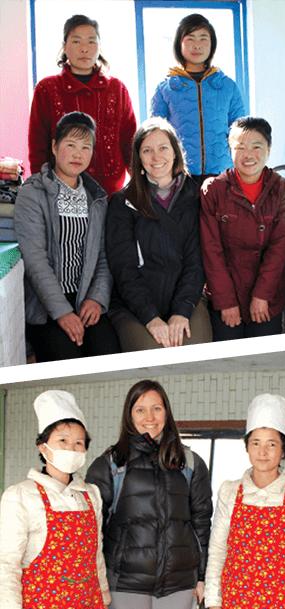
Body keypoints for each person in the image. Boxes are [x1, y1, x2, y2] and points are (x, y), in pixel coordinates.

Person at [86, 379, 212, 609]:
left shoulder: (190, 463)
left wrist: (201, 577)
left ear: (167, 412)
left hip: (178, 582)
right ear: (129, 415)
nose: (150, 418)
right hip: (125, 582)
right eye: (140, 410)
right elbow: (90, 530)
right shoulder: (111, 464)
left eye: (157, 408)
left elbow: (201, 523)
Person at [0, 389, 111, 609]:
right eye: (63, 441)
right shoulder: (21, 495)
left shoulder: (90, 495)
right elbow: (7, 564)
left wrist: (104, 601)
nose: (71, 448)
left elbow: (96, 556)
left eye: (78, 443)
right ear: (43, 446)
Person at [205, 393, 285, 609]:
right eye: (255, 443)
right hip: (236, 606)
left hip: (282, 608)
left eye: (272, 444)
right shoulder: (230, 492)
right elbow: (218, 549)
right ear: (247, 447)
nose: (262, 452)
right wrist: (213, 601)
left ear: (283, 449)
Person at [14, 111, 120, 362]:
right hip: (45, 306)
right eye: (70, 145)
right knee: (66, 358)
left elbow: (105, 257)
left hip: (86, 300)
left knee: (109, 356)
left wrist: (96, 298)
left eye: (86, 147)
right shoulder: (32, 194)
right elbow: (35, 259)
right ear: (54, 146)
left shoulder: (97, 198)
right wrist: (62, 312)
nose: (78, 154)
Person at [106, 116, 212, 351]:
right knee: (152, 353)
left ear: (175, 152)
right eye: (147, 150)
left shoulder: (196, 196)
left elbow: (197, 262)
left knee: (196, 352)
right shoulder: (122, 203)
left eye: (163, 148)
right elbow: (124, 269)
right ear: (138, 158)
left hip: (186, 299)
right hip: (135, 307)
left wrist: (182, 311)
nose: (156, 157)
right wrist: (150, 318)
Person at [200, 116, 285, 341]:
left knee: (264, 364)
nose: (248, 155)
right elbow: (211, 250)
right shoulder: (214, 190)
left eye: (256, 146)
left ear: (269, 150)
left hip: (268, 295)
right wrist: (225, 301)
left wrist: (262, 295)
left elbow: (279, 248)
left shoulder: (282, 189)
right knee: (229, 364)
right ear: (230, 150)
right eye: (239, 147)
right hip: (225, 295)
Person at [28, 14, 136, 195]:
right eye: (76, 41)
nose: (84, 49)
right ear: (64, 46)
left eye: (91, 41)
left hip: (110, 190)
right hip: (60, 190)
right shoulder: (47, 88)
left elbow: (130, 142)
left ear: (99, 47)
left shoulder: (117, 89)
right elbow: (38, 143)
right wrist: (41, 188)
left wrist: (140, 187)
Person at [151, 13, 245, 183]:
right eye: (190, 38)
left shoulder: (228, 86)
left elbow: (241, 133)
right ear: (179, 43)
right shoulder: (165, 89)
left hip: (222, 174)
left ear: (212, 45)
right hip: (179, 175)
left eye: (203, 38)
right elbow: (155, 136)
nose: (197, 45)